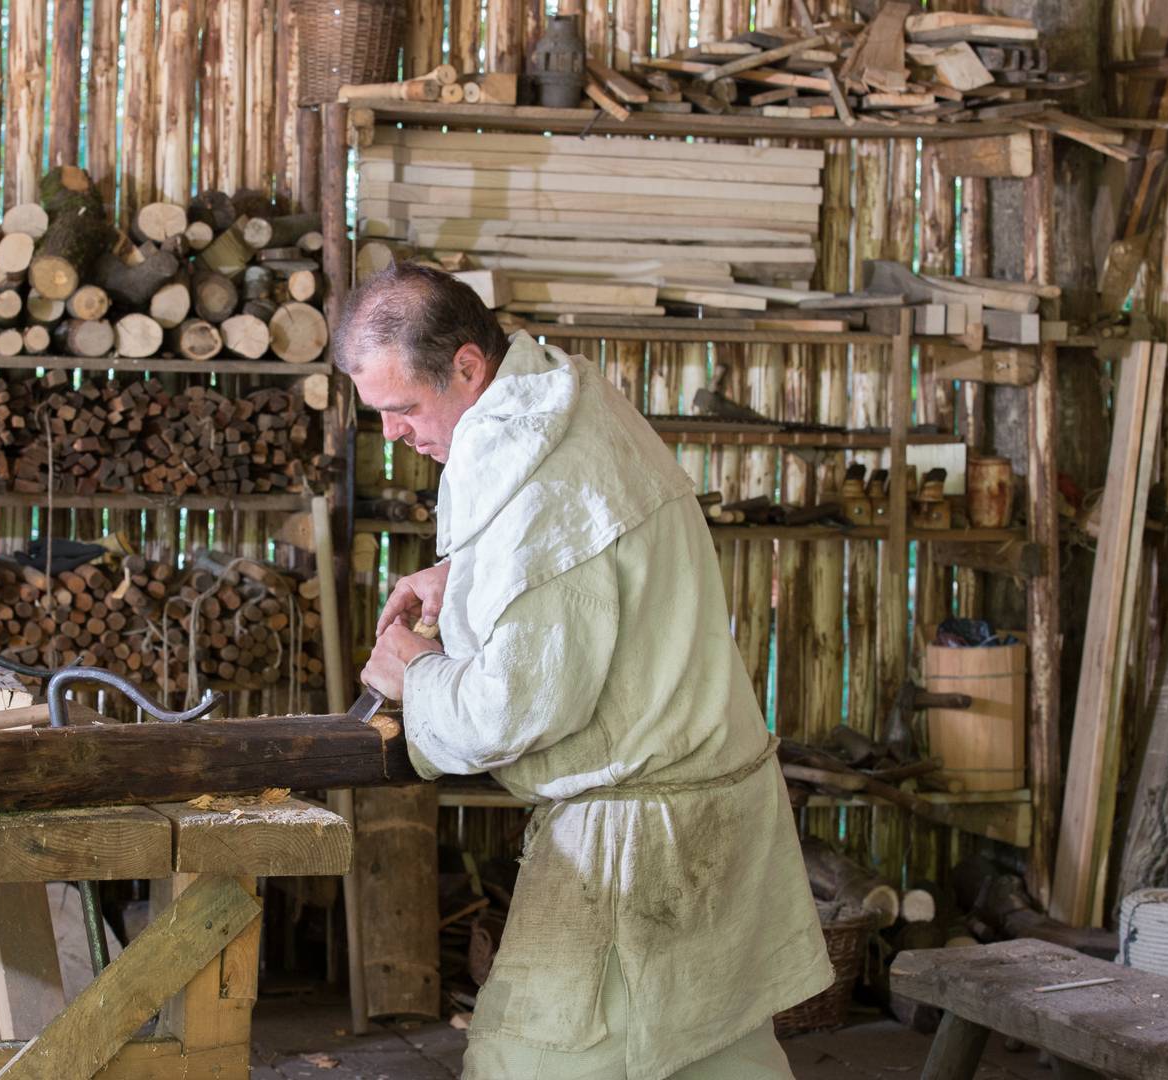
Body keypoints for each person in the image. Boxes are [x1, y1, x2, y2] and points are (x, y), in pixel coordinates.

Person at [341, 264, 832, 1079]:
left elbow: (511, 712)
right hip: (698, 810)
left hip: (638, 847)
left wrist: (418, 668)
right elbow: (582, 578)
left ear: (467, 366)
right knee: (713, 1057)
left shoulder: (544, 480)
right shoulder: (562, 403)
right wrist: (462, 578)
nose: (391, 433)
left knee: (526, 1063)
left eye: (403, 409)